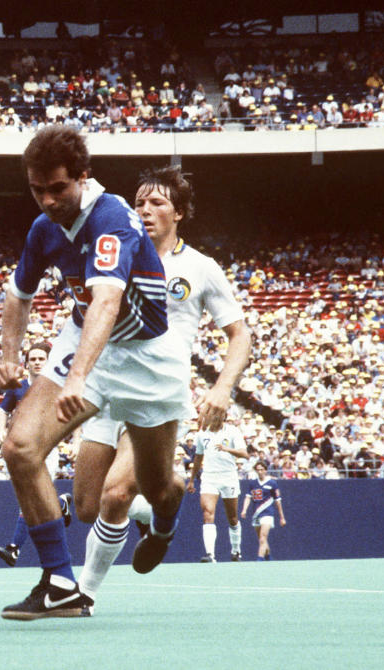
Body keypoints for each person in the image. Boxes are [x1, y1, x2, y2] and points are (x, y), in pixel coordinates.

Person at [0, 125, 193, 620]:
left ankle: (166, 520)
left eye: (57, 188)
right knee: (20, 447)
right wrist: (10, 355)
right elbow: (18, 295)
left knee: (156, 487)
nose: (46, 200)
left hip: (146, 357)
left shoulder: (113, 218)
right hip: (85, 340)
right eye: (37, 189)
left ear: (83, 177)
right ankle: (60, 583)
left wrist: (79, 377)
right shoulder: (44, 228)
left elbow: (108, 299)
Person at [72, 165, 251, 608]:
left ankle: (83, 595)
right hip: (106, 388)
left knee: (116, 493)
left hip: (155, 392)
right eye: (139, 203)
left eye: (157, 203)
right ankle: (162, 509)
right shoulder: (115, 252)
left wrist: (222, 388)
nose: (145, 210)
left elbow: (240, 333)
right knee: (87, 507)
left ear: (180, 213)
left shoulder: (200, 267)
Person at [0, 342, 73, 566]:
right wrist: (1, 429)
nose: (37, 362)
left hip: (46, 448)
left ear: (48, 362)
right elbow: (3, 409)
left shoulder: (56, 385)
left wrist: (75, 441)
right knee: (35, 499)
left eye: (41, 359)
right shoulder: (18, 386)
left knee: (31, 496)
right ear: (27, 362)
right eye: (33, 359)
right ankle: (60, 503)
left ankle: (14, 547)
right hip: (22, 449)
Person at [187, 420, 249, 562]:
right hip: (209, 477)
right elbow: (198, 457)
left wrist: (227, 449)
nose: (213, 417)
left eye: (217, 414)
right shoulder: (202, 433)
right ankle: (210, 554)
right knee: (207, 512)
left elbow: (245, 454)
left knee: (232, 518)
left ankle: (236, 551)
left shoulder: (233, 431)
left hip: (229, 476)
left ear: (223, 416)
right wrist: (191, 480)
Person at [240, 460, 285, 560]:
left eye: (262, 469)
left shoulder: (272, 483)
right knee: (261, 538)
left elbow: (278, 501)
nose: (260, 472)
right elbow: (248, 497)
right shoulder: (253, 483)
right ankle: (268, 556)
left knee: (263, 536)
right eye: (258, 470)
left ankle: (260, 558)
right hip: (256, 514)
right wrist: (244, 510)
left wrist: (282, 517)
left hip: (268, 513)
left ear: (265, 470)